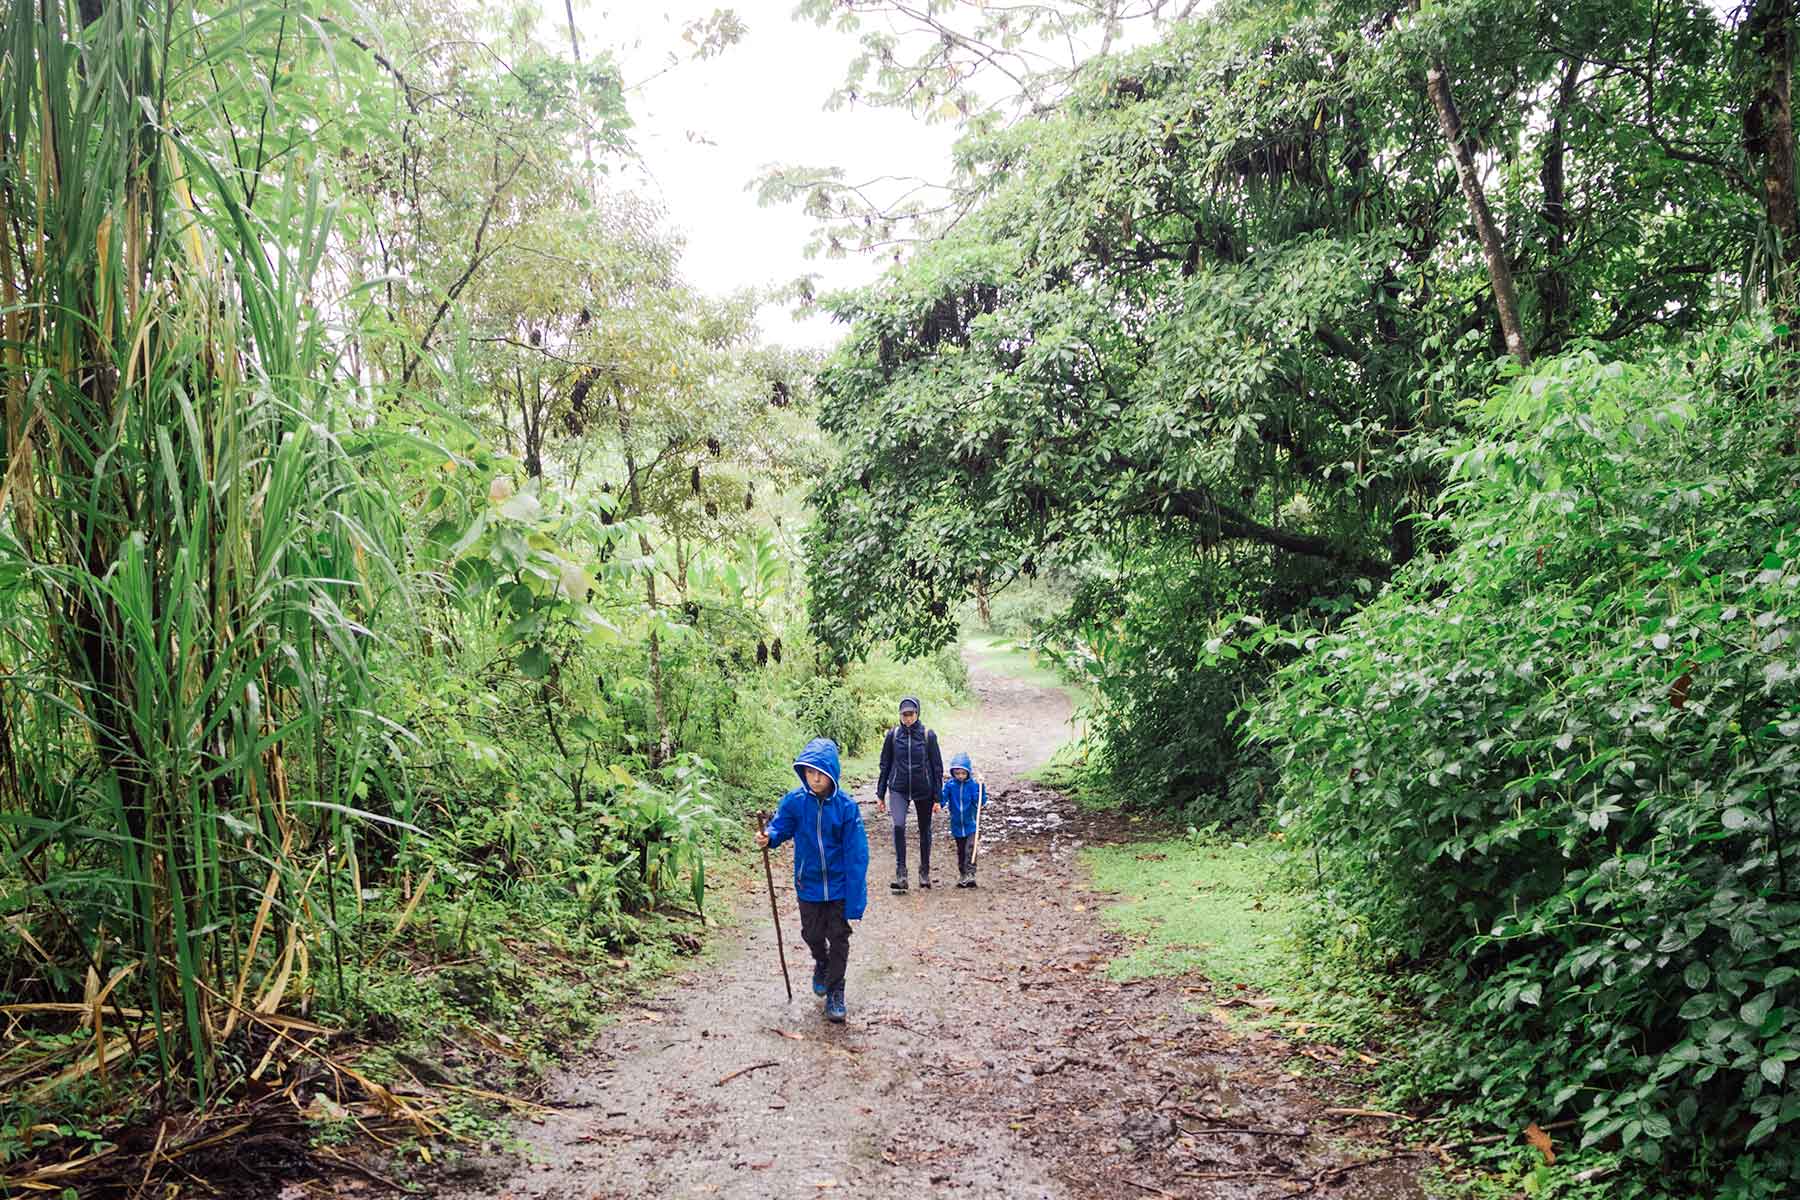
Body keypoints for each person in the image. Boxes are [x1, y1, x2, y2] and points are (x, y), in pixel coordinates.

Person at [758, 737, 869, 1022]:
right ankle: (821, 961)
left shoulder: (846, 808)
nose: (815, 778)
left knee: (839, 937)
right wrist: (769, 836)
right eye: (809, 772)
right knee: (813, 934)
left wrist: (855, 899)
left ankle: (835, 991)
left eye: (820, 772)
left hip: (838, 886)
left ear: (832, 773)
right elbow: (781, 825)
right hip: (808, 883)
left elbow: (857, 855)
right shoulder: (796, 802)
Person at [875, 696, 943, 892]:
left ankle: (924, 872)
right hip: (899, 787)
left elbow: (937, 767)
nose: (907, 718)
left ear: (917, 713)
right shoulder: (893, 735)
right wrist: (880, 793)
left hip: (924, 789)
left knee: (924, 830)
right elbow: (885, 764)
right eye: (904, 714)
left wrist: (937, 797)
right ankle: (901, 872)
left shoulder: (928, 735)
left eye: (911, 714)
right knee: (898, 825)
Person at [939, 752, 989, 888]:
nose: (960, 776)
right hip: (956, 825)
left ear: (968, 772)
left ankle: (971, 874)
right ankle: (963, 874)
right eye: (957, 773)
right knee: (961, 851)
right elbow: (942, 801)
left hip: (971, 824)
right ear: (953, 773)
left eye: (963, 773)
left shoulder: (973, 785)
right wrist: (937, 799)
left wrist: (981, 787)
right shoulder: (950, 786)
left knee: (970, 848)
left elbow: (981, 802)